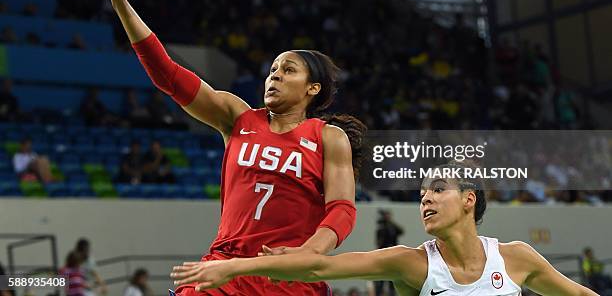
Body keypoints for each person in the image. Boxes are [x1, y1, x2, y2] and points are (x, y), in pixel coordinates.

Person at [92, 0, 365, 296]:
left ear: (313, 89)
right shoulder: (238, 117)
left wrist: (310, 252)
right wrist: (119, 0)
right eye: (273, 70)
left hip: (288, 277)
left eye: (289, 70)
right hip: (224, 268)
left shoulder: (328, 136)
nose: (275, 75)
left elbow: (342, 209)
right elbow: (168, 76)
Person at [171, 162, 598, 296]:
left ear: (469, 200)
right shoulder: (412, 264)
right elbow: (322, 270)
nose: (426, 199)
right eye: (422, 194)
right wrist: (233, 268)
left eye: (438, 190)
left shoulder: (516, 257)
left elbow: (579, 295)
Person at [375, 210, 404, 296]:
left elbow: (401, 231)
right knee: (381, 277)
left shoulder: (392, 227)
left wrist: (391, 223)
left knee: (392, 277)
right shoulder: (381, 228)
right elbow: (379, 242)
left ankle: (392, 293)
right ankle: (379, 293)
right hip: (383, 254)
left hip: (393, 254)